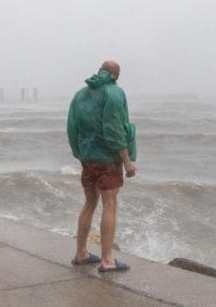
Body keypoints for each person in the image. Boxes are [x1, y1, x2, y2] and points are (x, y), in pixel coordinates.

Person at [67, 60, 136, 273]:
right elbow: (114, 128)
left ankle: (81, 253)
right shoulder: (114, 93)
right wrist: (126, 160)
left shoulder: (80, 94)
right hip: (107, 159)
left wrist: (81, 155)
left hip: (88, 157)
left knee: (89, 203)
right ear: (115, 75)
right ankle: (107, 260)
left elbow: (72, 128)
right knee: (110, 204)